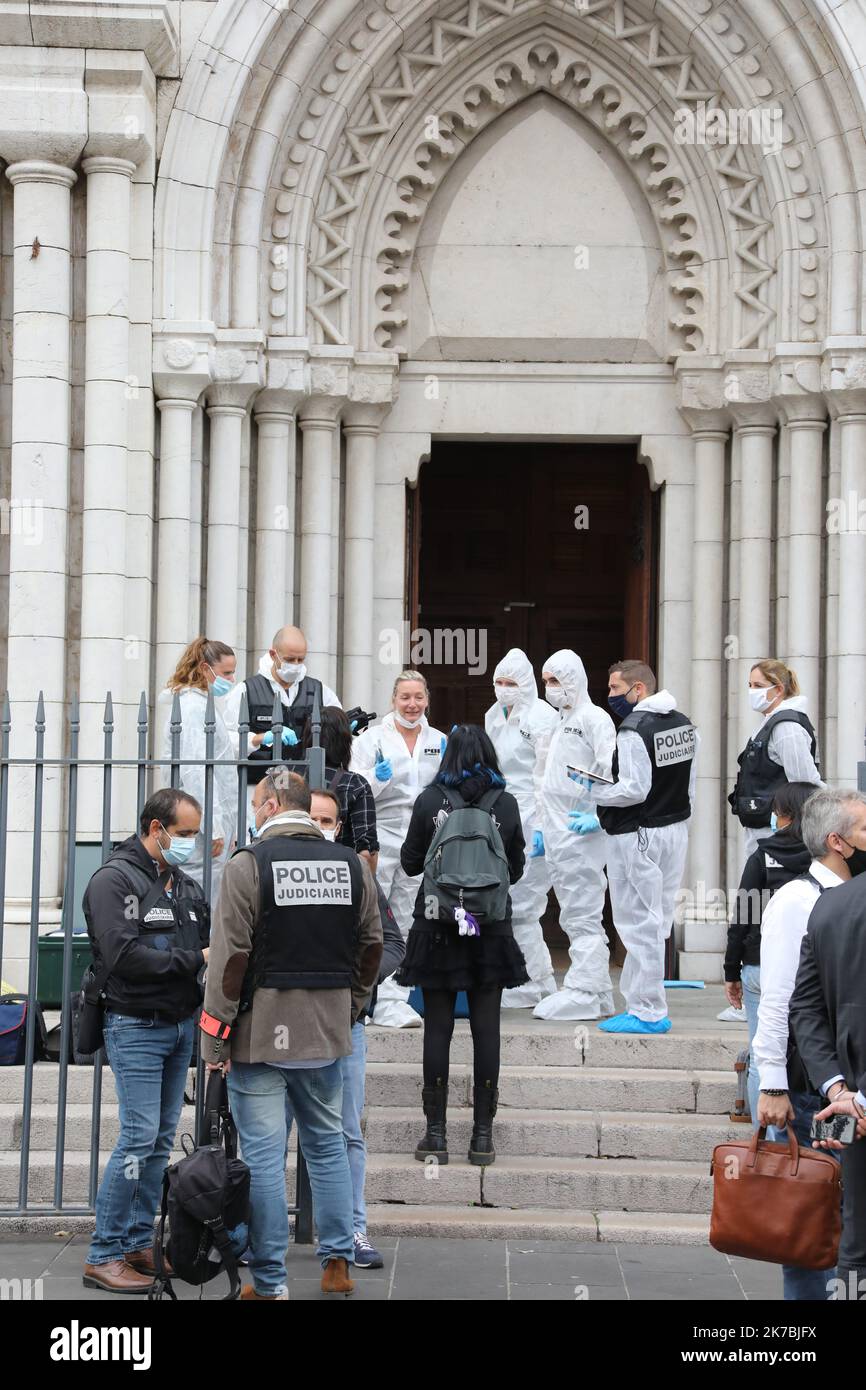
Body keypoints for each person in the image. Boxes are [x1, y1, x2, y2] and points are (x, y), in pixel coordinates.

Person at [200, 770, 383, 1300]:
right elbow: (371, 947)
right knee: (326, 1147)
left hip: (260, 1034)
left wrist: (215, 1040)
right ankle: (337, 1264)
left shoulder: (248, 865)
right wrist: (349, 1007)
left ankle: (272, 1283)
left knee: (263, 1158)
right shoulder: (351, 864)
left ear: (274, 804)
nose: (254, 812)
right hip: (325, 1033)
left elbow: (229, 961)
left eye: (258, 803)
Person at [82, 789, 210, 1294]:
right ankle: (104, 1252)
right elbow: (123, 956)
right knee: (136, 1139)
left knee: (158, 1140)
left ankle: (137, 1241)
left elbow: (205, 944)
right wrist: (195, 958)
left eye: (195, 835)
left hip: (179, 1024)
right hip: (135, 1024)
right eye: (183, 835)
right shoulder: (113, 881)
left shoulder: (185, 886)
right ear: (155, 829)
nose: (191, 843)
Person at [396, 725, 527, 1166]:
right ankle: (482, 1138)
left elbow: (412, 863)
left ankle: (435, 1135)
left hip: (438, 924)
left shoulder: (431, 800)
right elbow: (518, 868)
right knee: (486, 1031)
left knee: (438, 1029)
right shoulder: (505, 803)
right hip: (488, 929)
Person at [753, 789, 866, 1300]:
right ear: (838, 841)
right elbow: (782, 1000)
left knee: (846, 1214)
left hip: (844, 1090)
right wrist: (772, 1082)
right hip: (811, 1093)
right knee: (813, 1215)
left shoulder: (848, 899)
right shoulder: (798, 900)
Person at [571, 660, 697, 1035]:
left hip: (637, 833)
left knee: (636, 920)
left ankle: (646, 1010)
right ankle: (649, 1001)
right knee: (656, 920)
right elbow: (687, 784)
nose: (610, 696)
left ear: (638, 689)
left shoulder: (633, 729)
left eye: (614, 688)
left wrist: (593, 789)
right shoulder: (683, 723)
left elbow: (633, 789)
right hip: (673, 828)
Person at [309, 787, 404, 1271]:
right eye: (313, 819)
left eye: (329, 820)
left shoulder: (358, 875)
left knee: (347, 1130)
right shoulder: (276, 868)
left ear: (340, 827)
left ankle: (351, 1230)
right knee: (271, 1130)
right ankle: (253, 1233)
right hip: (288, 1022)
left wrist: (357, 984)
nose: (322, 827)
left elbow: (393, 943)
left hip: (347, 1022)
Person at [351, 671, 446, 1028]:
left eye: (418, 697)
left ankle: (393, 998)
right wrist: (376, 776)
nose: (412, 704)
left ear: (427, 699)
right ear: (393, 699)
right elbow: (355, 791)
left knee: (405, 917)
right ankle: (364, 994)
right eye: (405, 697)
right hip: (380, 836)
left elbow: (447, 788)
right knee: (371, 916)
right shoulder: (371, 739)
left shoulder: (439, 740)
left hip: (420, 840)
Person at [532, 650, 616, 1022]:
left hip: (579, 828)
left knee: (583, 910)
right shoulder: (557, 721)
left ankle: (584, 989)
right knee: (572, 909)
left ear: (574, 679)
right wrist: (539, 828)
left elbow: (612, 770)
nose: (550, 688)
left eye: (556, 681)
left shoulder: (594, 719)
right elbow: (543, 777)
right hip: (555, 828)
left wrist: (597, 814)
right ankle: (596, 992)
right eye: (546, 681)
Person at [722, 782, 815, 1118]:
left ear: (784, 815)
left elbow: (742, 918)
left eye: (776, 812)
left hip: (759, 965)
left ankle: (764, 1135)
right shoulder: (824, 856)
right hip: (809, 970)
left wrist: (731, 971)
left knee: (763, 1051)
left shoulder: (763, 855)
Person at [484, 648, 558, 1008]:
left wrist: (544, 824)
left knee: (525, 902)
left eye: (511, 683)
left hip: (532, 813)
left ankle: (524, 982)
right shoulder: (493, 716)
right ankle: (539, 978)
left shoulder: (543, 718)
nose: (503, 689)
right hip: (502, 814)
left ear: (526, 684)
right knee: (512, 899)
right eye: (499, 682)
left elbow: (546, 774)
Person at [159, 636, 238, 902]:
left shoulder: (203, 704)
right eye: (226, 673)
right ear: (205, 668)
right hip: (202, 826)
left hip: (208, 822)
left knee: (207, 892)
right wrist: (213, 826)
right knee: (199, 895)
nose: (231, 679)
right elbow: (195, 771)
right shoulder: (193, 708)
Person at [729, 659, 823, 862]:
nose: (752, 691)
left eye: (759, 686)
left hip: (779, 834)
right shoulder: (771, 723)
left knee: (769, 891)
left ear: (779, 689)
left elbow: (805, 783)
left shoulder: (786, 727)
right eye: (750, 685)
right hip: (764, 828)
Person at [223, 625, 341, 785]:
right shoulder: (246, 691)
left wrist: (344, 727)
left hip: (305, 785)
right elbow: (225, 742)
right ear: (273, 654)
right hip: (257, 785)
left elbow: (338, 738)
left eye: (301, 659)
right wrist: (260, 738)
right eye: (290, 659)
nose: (296, 665)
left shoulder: (319, 691)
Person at [298, 706, 379, 872]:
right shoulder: (355, 784)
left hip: (290, 874)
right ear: (345, 740)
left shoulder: (287, 777)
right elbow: (367, 850)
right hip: (340, 877)